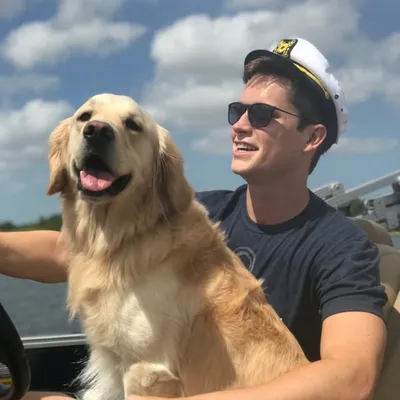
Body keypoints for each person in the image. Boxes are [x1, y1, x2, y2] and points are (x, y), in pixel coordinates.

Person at [0, 37, 388, 400]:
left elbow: (352, 376)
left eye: (262, 114)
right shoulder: (199, 213)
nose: (239, 125)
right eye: (237, 111)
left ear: (312, 137)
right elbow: (78, 251)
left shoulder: (342, 246)